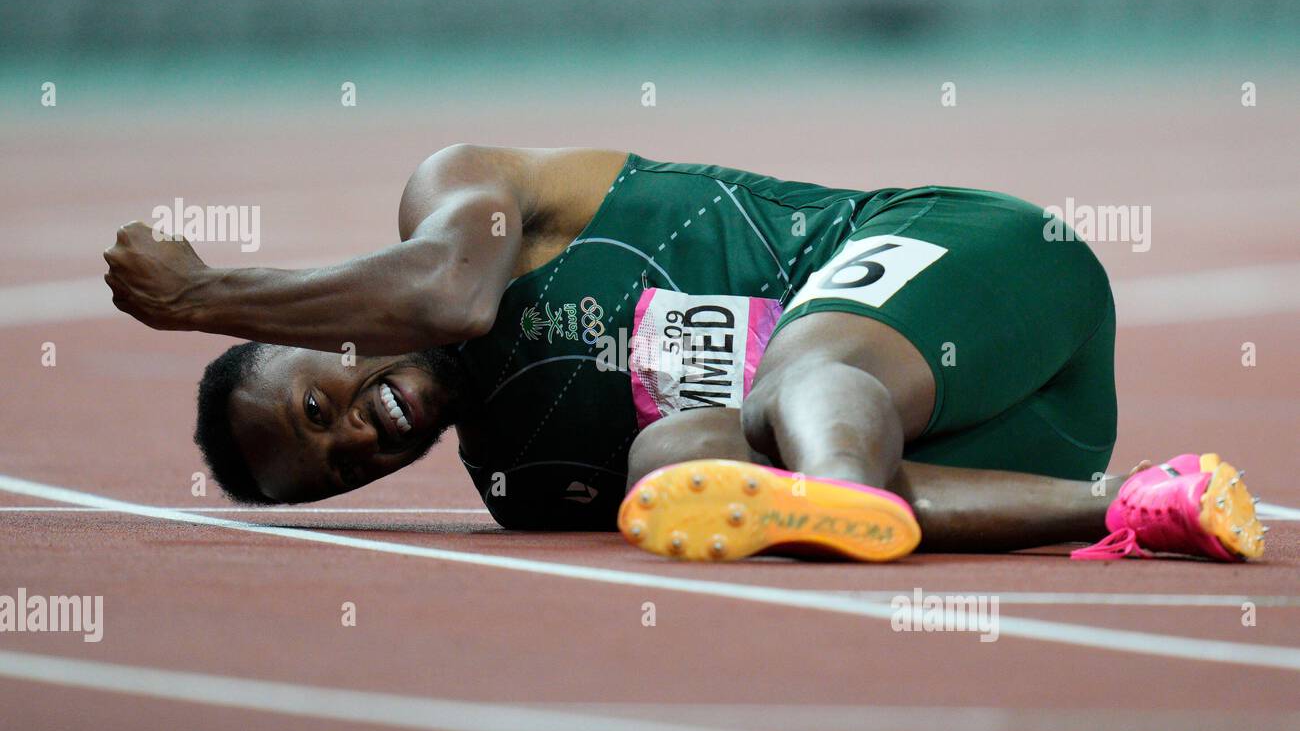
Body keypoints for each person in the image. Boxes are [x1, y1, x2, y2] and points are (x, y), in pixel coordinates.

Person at [103, 145, 1264, 563]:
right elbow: (706, 475)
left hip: (984, 265)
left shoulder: (462, 191)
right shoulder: (524, 487)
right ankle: (1129, 504)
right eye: (345, 469)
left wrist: (201, 295)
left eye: (321, 407)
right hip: (1020, 430)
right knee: (668, 462)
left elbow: (453, 298)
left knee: (790, 384)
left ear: (323, 328)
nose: (361, 437)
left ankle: (842, 499)